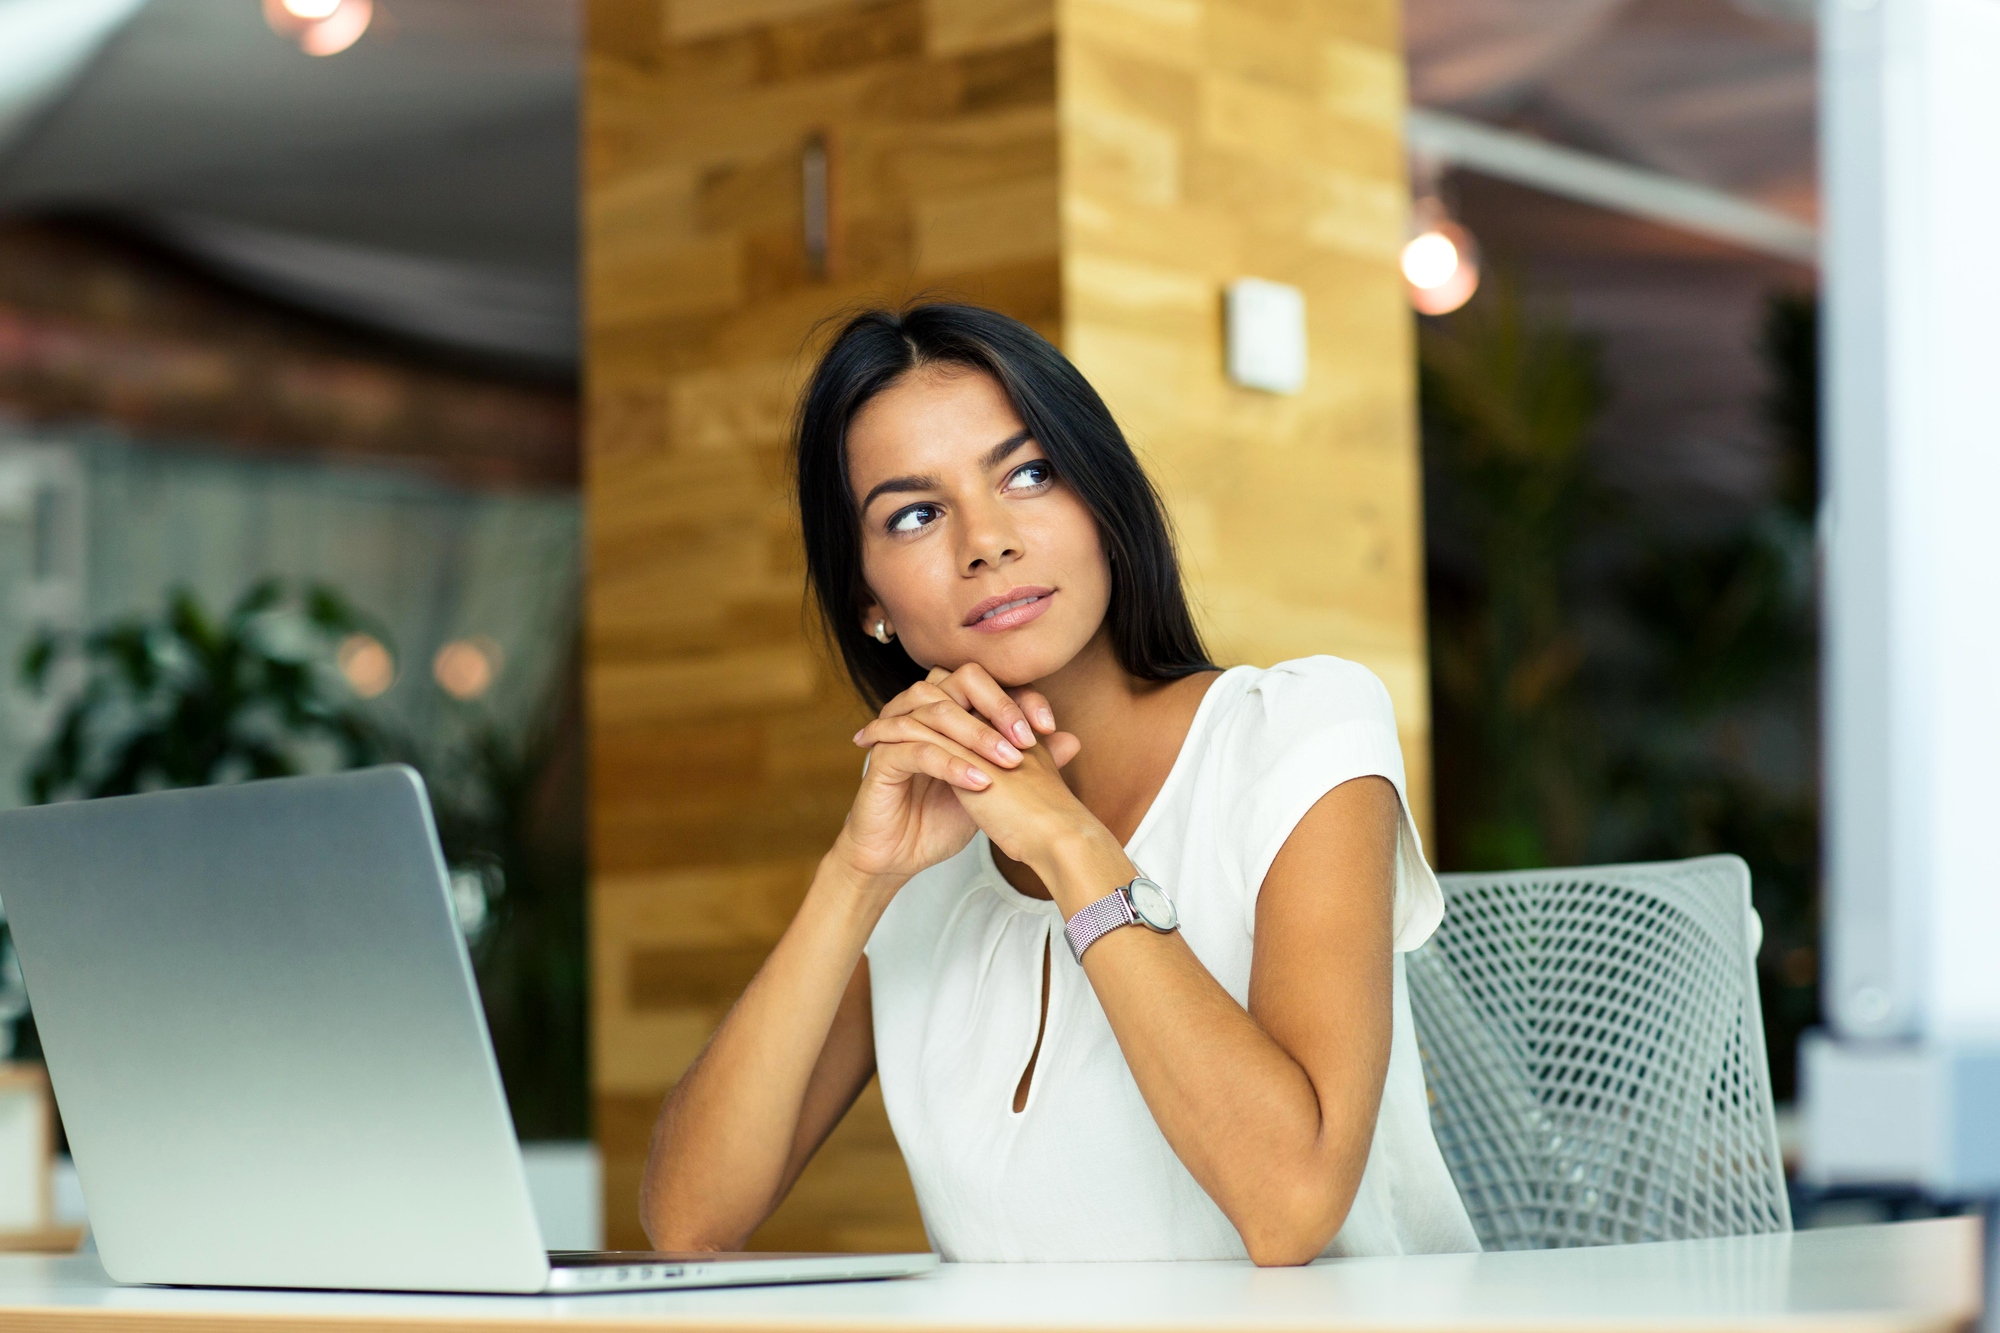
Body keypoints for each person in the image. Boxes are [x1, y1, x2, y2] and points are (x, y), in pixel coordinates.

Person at [640, 302, 1478, 1265]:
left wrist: (1070, 843)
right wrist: (855, 876)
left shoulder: (1297, 734)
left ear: (1102, 501)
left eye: (1028, 473)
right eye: (915, 514)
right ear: (869, 599)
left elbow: (1290, 1205)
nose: (985, 540)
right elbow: (689, 1221)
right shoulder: (921, 856)